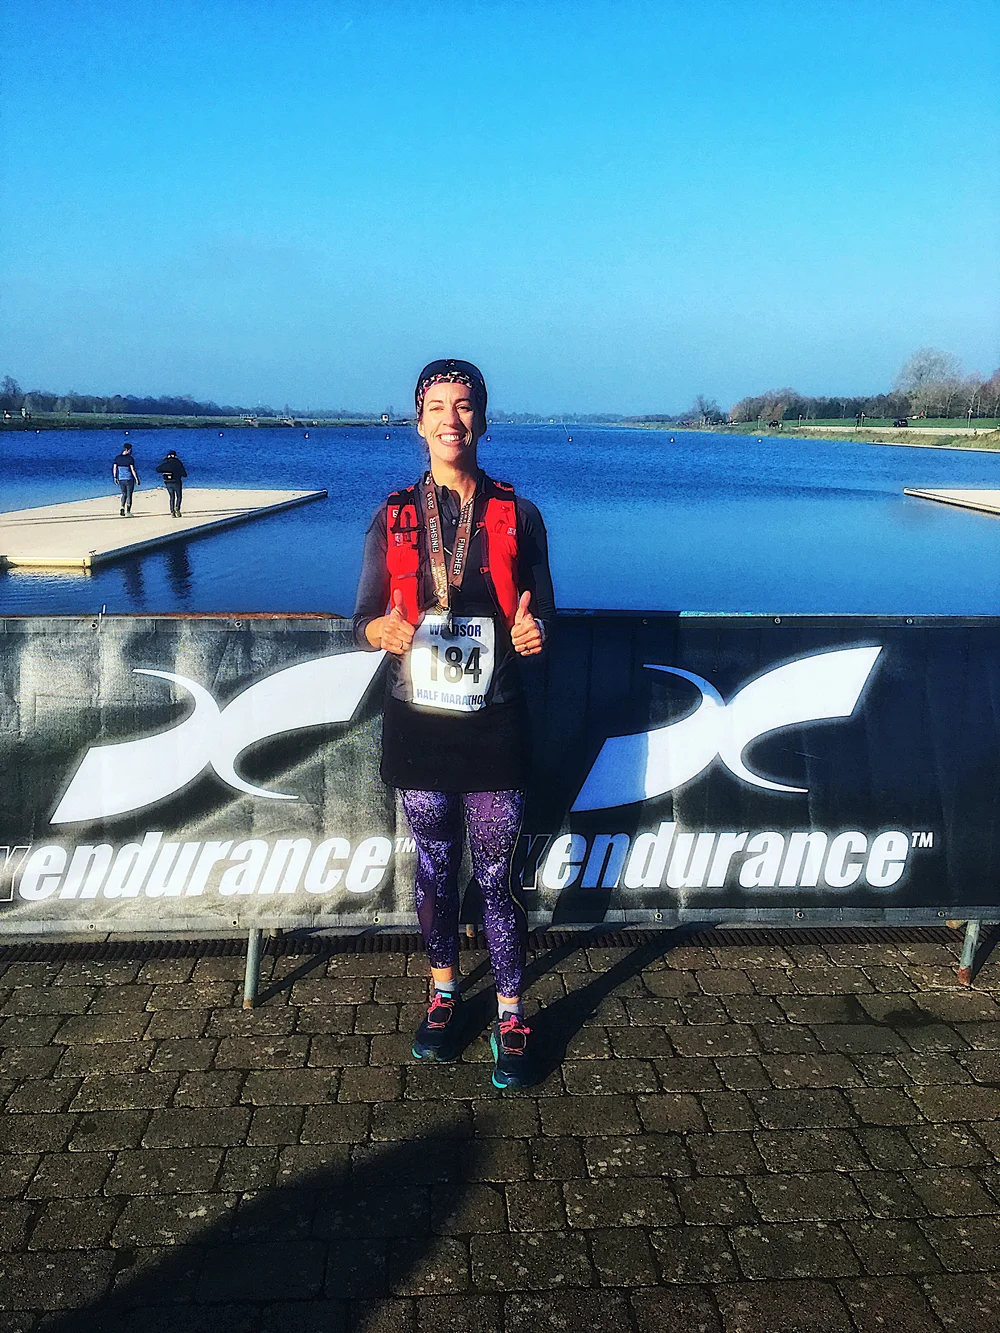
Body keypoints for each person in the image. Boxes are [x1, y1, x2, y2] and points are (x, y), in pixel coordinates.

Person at [353, 359, 555, 1090]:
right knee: (436, 867)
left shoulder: (518, 513)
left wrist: (535, 632)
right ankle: (444, 994)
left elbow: (544, 610)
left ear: (483, 419)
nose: (451, 419)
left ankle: (511, 1012)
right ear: (418, 422)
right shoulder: (393, 515)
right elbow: (361, 616)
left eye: (464, 406)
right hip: (419, 724)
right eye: (437, 406)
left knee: (497, 876)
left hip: (496, 721)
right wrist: (379, 630)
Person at [155, 450, 188, 517]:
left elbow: (157, 469)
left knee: (172, 497)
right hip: (176, 482)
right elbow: (184, 474)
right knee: (179, 496)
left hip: (168, 482)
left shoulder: (165, 462)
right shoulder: (178, 462)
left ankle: (172, 512)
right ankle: (177, 508)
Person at [111, 443, 139, 515]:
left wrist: (115, 477)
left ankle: (122, 507)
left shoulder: (117, 458)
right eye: (130, 450)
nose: (131, 451)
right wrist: (136, 479)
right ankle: (128, 512)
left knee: (124, 494)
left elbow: (114, 468)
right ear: (127, 450)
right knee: (129, 495)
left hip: (121, 479)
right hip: (129, 479)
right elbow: (132, 470)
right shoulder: (130, 458)